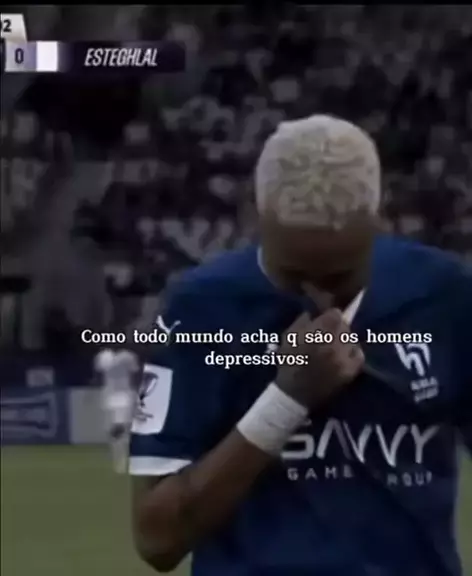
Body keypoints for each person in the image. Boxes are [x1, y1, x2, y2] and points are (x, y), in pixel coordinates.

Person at [128, 115, 471, 575]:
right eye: (293, 275)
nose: (319, 298)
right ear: (256, 213)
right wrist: (286, 400)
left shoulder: (444, 294)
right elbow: (156, 539)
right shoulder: (199, 309)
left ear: (378, 215)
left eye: (340, 278)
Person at [95, 347, 139, 473]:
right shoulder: (104, 356)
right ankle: (119, 460)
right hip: (110, 397)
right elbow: (98, 376)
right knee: (113, 433)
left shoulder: (127, 356)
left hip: (123, 397)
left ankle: (123, 461)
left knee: (121, 430)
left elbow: (135, 374)